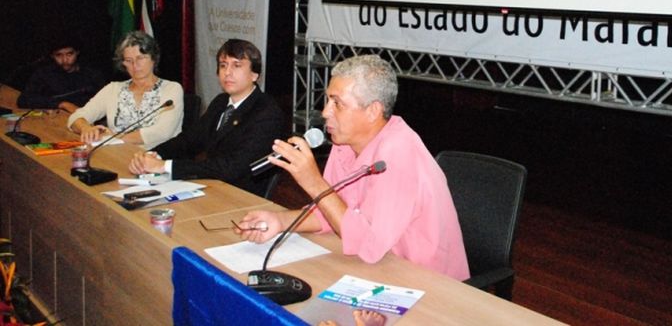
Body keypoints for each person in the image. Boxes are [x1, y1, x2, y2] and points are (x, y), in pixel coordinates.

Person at [235, 55, 469, 280]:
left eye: (337, 103)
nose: (325, 112)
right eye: (328, 100)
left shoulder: (399, 153)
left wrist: (314, 182)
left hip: (427, 282)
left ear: (373, 111)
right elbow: (332, 212)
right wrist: (279, 222)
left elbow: (368, 245)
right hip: (381, 267)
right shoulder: (344, 144)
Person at [128, 39, 286, 196]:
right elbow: (189, 140)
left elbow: (231, 167)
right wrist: (151, 154)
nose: (227, 72)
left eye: (237, 65)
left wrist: (165, 166)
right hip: (211, 185)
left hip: (240, 196)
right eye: (223, 65)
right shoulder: (221, 102)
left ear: (254, 74)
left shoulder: (267, 113)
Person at [68, 31, 183, 148]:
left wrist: (113, 139)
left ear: (153, 59)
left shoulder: (172, 89)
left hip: (156, 158)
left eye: (140, 58)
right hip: (116, 155)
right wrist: (86, 128)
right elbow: (75, 118)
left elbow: (162, 132)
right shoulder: (113, 89)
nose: (135, 65)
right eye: (128, 60)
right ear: (123, 64)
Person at [16, 37, 104, 113]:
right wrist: (62, 104)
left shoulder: (92, 75)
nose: (65, 60)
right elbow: (23, 100)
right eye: (59, 55)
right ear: (52, 56)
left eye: (69, 54)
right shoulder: (44, 74)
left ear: (77, 52)